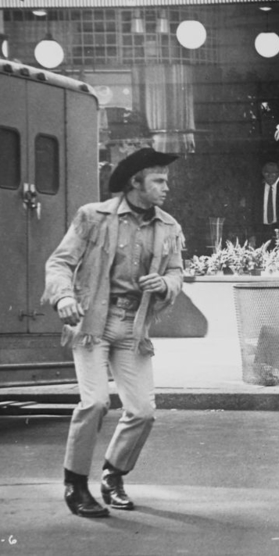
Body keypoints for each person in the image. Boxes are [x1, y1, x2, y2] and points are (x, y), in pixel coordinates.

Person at [42, 147, 185, 518]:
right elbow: (60, 262)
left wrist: (165, 284)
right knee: (96, 402)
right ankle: (75, 485)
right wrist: (62, 298)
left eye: (166, 180)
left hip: (133, 326)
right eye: (158, 180)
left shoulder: (168, 226)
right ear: (135, 183)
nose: (166, 187)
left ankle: (113, 475)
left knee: (143, 411)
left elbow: (177, 272)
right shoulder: (94, 216)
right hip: (91, 323)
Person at [252, 161, 279, 246]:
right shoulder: (257, 190)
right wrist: (252, 234)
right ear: (263, 173)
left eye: (274, 174)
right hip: (261, 232)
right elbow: (252, 214)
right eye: (267, 173)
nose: (270, 176)